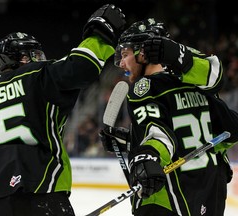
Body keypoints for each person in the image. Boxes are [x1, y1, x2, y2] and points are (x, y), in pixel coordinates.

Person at [0, 4, 126, 216]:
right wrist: (101, 33)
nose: (40, 59)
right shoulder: (38, 76)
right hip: (42, 196)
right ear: (21, 57)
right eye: (34, 54)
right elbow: (82, 66)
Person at [101, 18, 238, 216]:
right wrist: (132, 140)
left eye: (125, 54)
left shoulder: (144, 88)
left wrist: (146, 154)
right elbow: (224, 128)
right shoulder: (195, 81)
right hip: (210, 189)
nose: (121, 63)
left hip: (168, 197)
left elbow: (160, 136)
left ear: (143, 52)